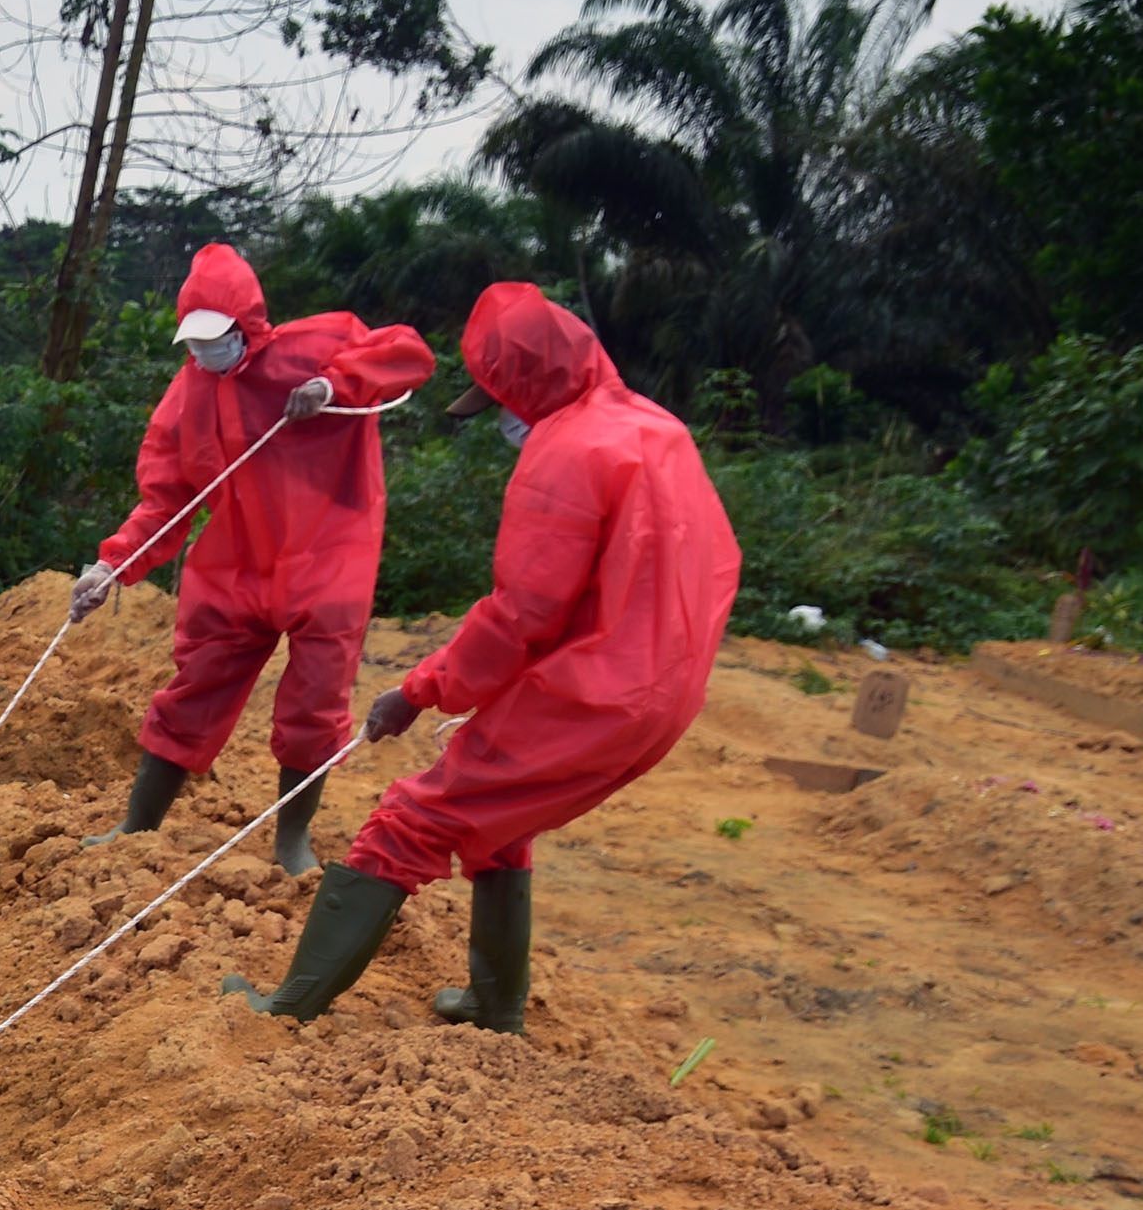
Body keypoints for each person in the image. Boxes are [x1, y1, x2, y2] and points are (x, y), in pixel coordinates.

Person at [229, 282, 739, 1030]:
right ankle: (493, 1004)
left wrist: (422, 689)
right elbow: (694, 568)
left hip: (595, 690)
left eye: (500, 396)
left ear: (523, 384)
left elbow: (521, 614)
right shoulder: (656, 429)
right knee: (499, 822)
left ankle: (285, 1009)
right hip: (662, 686)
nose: (501, 415)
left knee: (410, 819)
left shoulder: (567, 450)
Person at [72, 243, 433, 873]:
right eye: (195, 340)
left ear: (248, 323)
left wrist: (333, 384)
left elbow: (407, 354)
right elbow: (167, 498)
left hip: (330, 554)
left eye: (218, 336)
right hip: (238, 562)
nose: (206, 352)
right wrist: (113, 565)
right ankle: (136, 826)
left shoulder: (318, 345)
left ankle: (291, 839)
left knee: (316, 702)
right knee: (193, 688)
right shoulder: (189, 395)